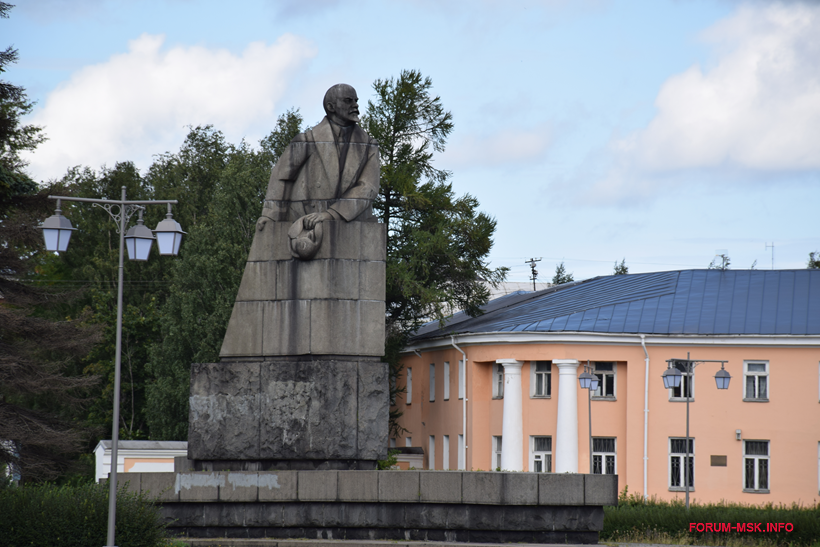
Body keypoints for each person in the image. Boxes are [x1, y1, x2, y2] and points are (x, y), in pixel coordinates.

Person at [256, 84, 380, 241]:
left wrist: (331, 214)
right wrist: (270, 216)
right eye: (348, 101)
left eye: (356, 101)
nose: (355, 105)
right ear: (331, 107)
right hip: (304, 225)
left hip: (351, 226)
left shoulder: (369, 146)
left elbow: (368, 187)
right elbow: (282, 177)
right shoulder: (306, 141)